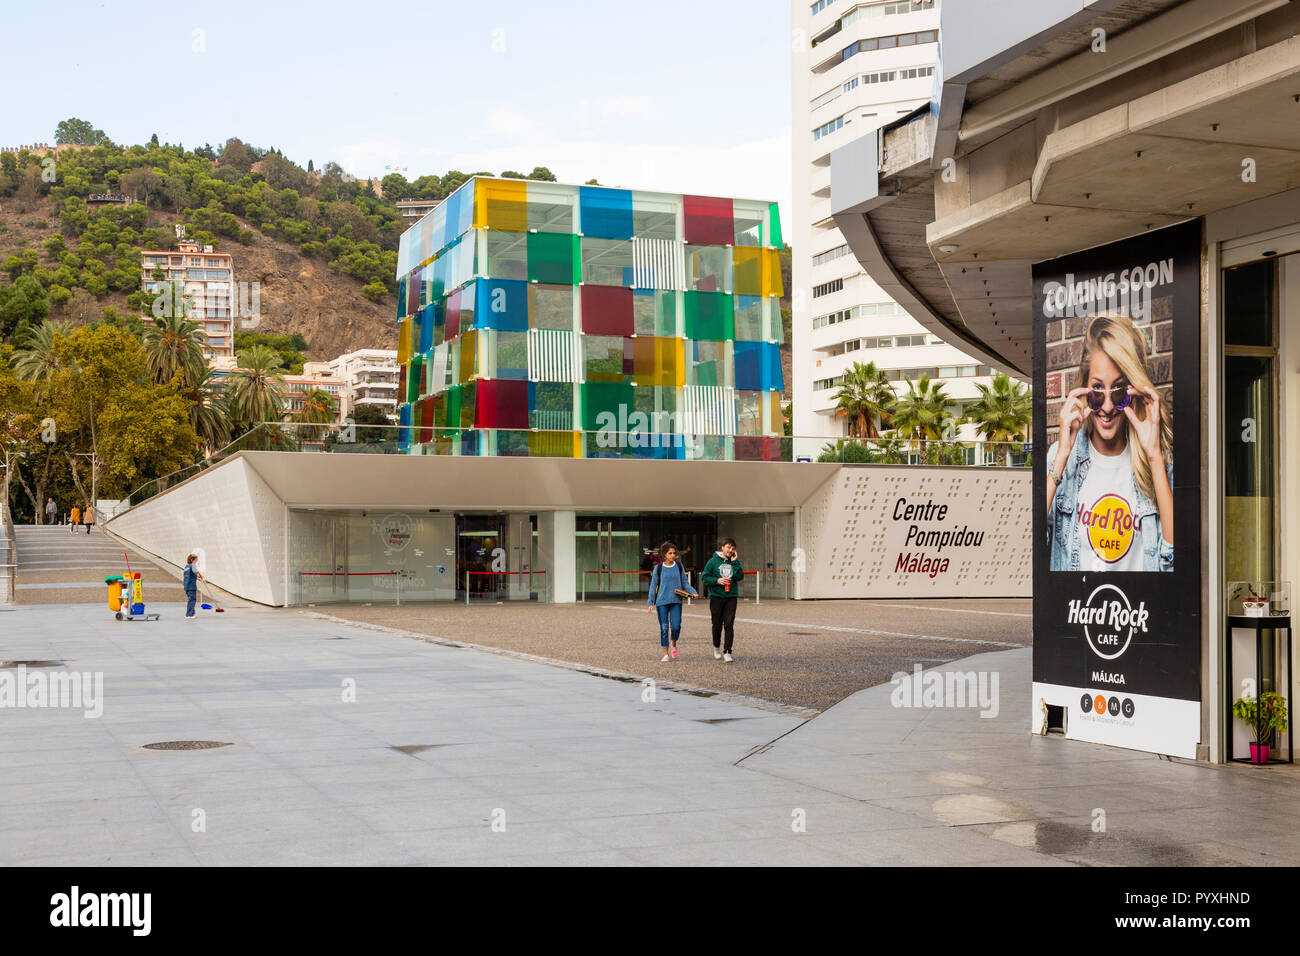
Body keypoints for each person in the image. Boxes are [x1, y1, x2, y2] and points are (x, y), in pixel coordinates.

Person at [1046, 313, 1174, 572]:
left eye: (1118, 393)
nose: (1106, 407)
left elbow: (1173, 557)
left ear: (1134, 391)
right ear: (1084, 389)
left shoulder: (1157, 461)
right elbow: (1031, 540)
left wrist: (1154, 457)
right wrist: (1061, 456)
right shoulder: (1061, 460)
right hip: (1079, 610)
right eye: (1097, 392)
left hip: (1135, 611)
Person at [646, 541, 697, 662]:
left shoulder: (679, 566)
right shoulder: (658, 568)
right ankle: (665, 653)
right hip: (661, 602)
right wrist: (650, 602)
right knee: (664, 627)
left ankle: (674, 643)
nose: (673, 555)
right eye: (670, 553)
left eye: (674, 553)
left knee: (676, 626)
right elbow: (653, 586)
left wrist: (693, 591)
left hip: (676, 601)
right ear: (664, 555)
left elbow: (685, 583)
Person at [702, 538, 745, 662]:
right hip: (716, 597)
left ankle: (727, 651)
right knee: (716, 624)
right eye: (728, 547)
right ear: (722, 547)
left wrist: (736, 562)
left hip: (731, 597)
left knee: (729, 624)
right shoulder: (713, 561)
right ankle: (716, 646)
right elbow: (705, 578)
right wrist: (717, 581)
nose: (730, 550)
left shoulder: (734, 562)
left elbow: (740, 576)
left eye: (733, 548)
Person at [183, 553, 203, 618]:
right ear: (192, 560)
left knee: (191, 599)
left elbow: (189, 575)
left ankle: (192, 613)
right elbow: (195, 572)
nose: (196, 561)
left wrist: (197, 577)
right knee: (192, 600)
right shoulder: (192, 566)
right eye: (196, 560)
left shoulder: (186, 566)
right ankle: (189, 614)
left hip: (186, 586)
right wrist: (200, 576)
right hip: (191, 586)